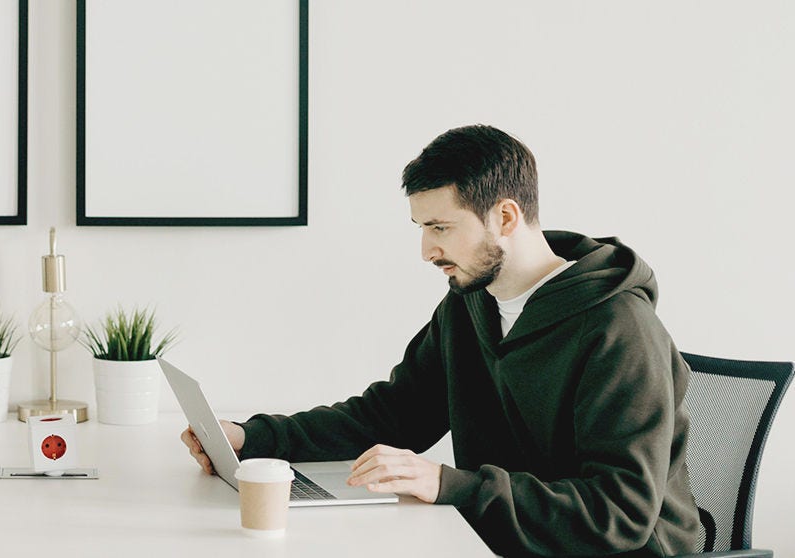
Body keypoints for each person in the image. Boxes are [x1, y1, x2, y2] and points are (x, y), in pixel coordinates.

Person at [181, 125, 699, 557]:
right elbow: (388, 416)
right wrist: (251, 438)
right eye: (421, 227)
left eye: (441, 227)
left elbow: (622, 513)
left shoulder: (619, 329)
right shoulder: (470, 305)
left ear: (505, 217)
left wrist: (446, 484)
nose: (427, 250)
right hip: (495, 542)